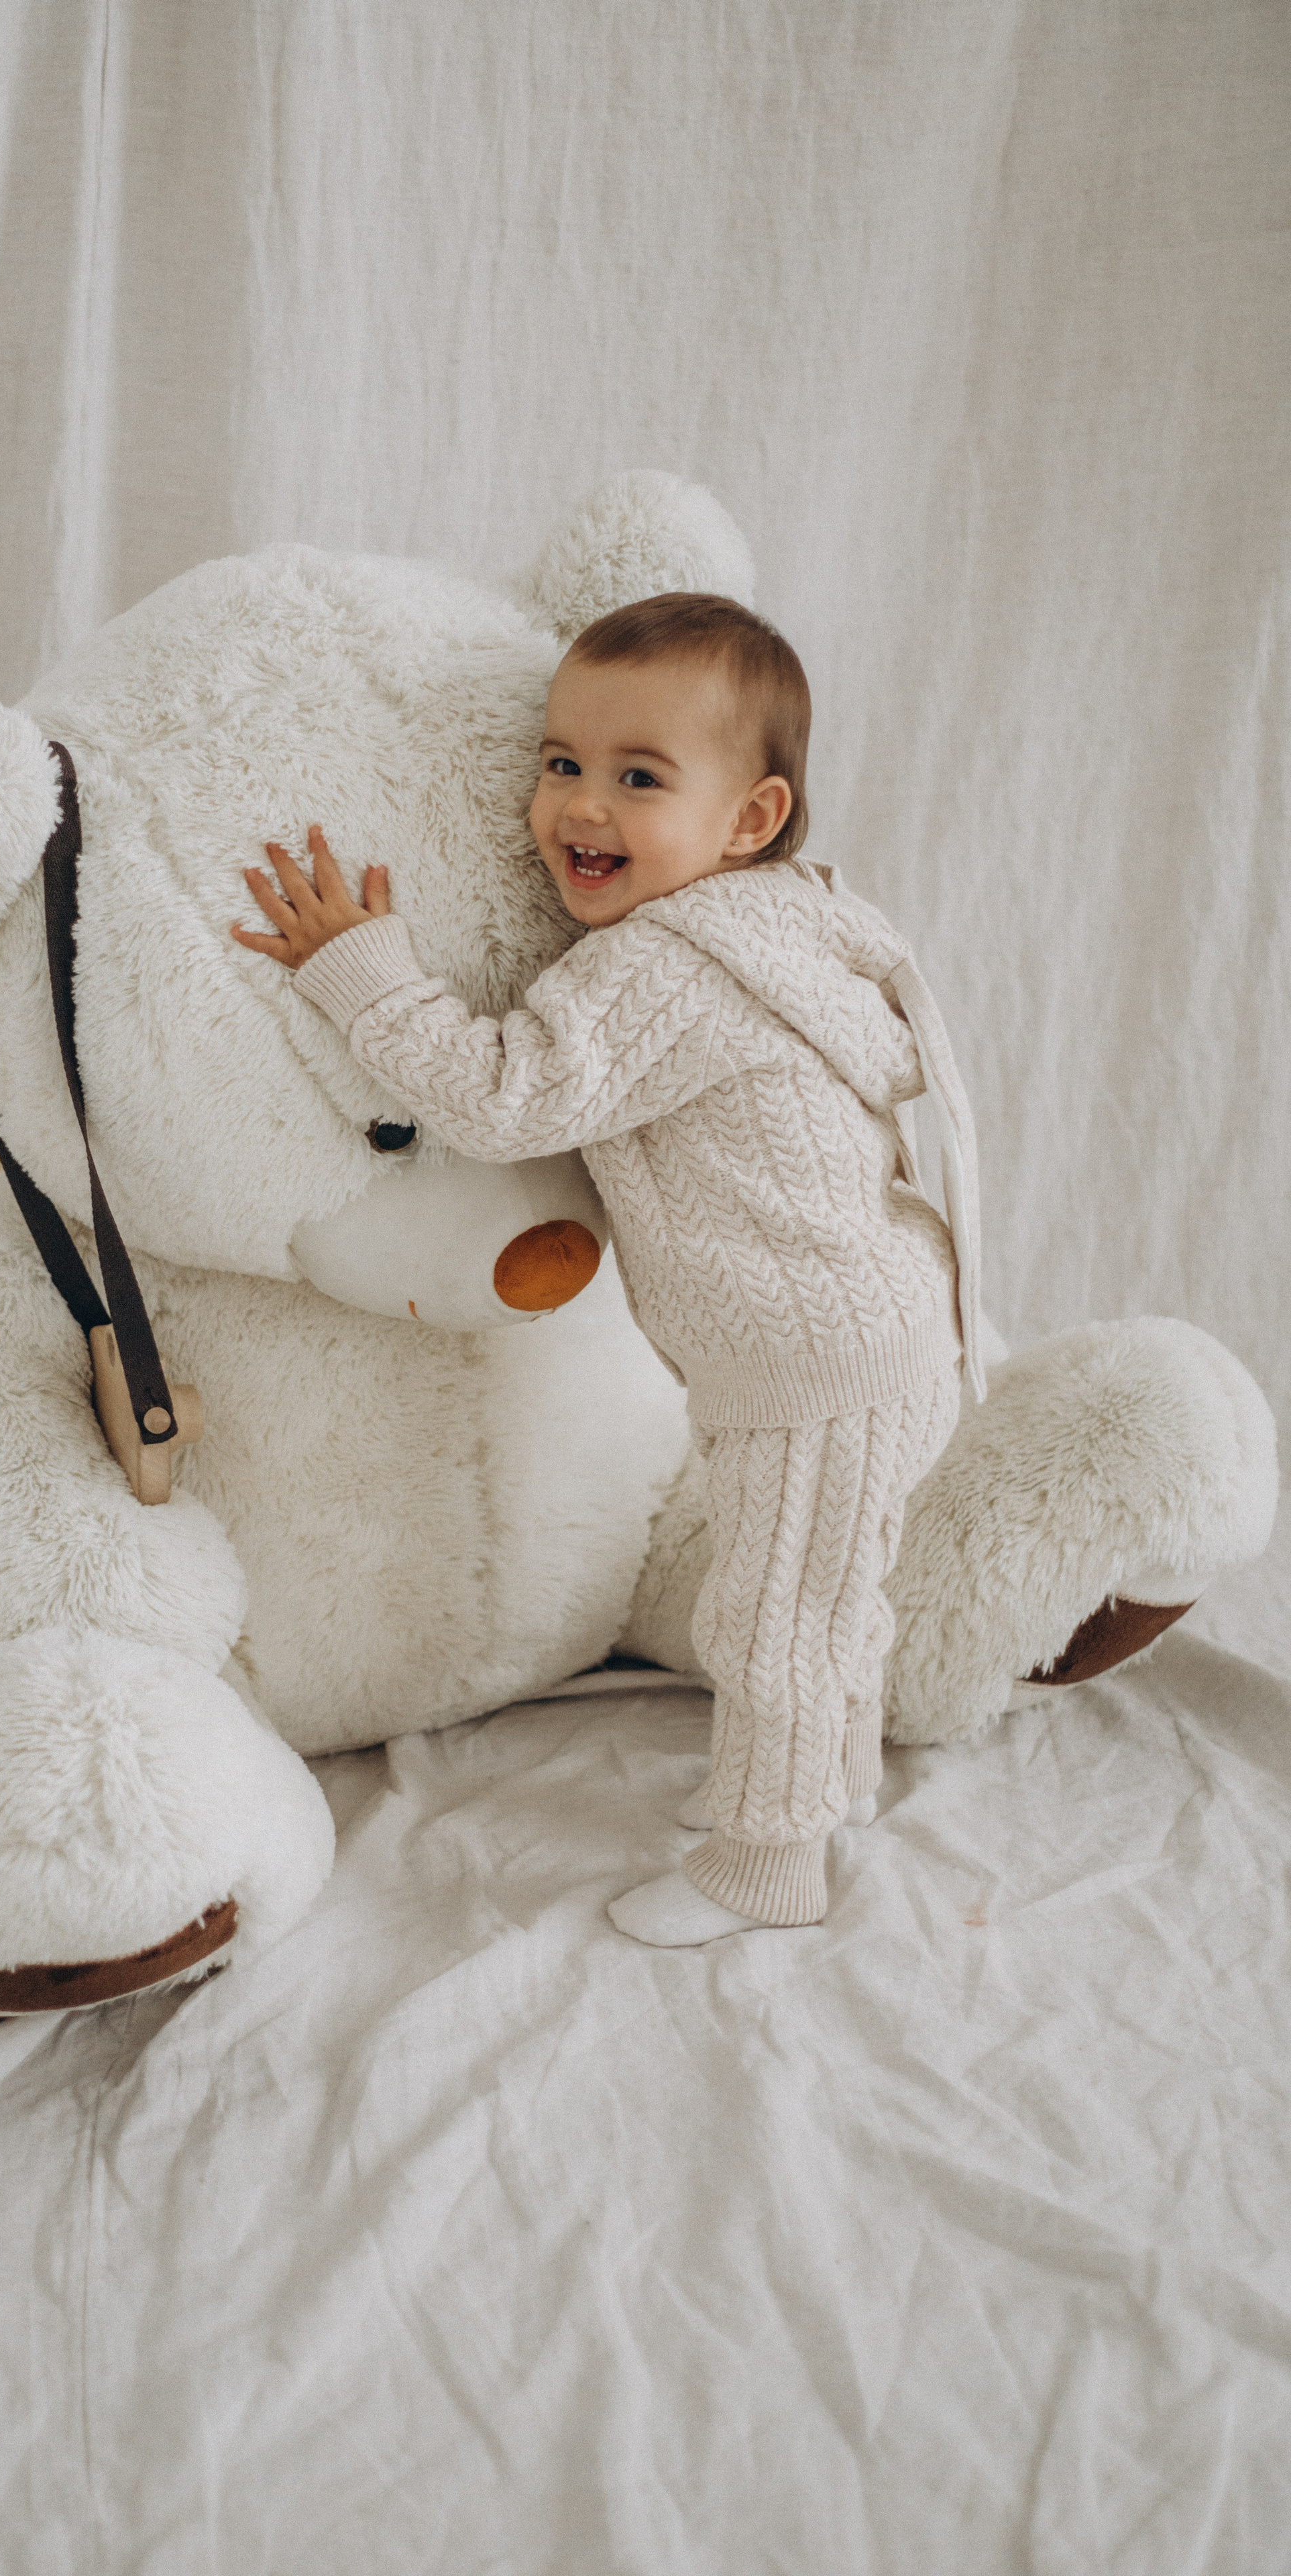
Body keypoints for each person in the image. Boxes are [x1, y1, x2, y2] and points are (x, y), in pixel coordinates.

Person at [231, 592, 983, 1945]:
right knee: (820, 1589)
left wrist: (362, 973)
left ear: (746, 820)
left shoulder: (659, 969)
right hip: (866, 1332)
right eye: (560, 763)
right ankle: (825, 1782)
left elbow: (504, 1100)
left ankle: (770, 1861)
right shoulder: (785, 924)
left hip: (811, 1360)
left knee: (771, 1620)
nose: (578, 807)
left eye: (638, 778)